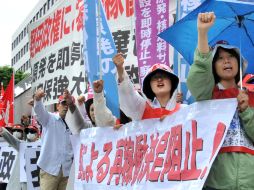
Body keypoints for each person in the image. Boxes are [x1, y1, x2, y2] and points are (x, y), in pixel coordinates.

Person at [187, 12, 254, 190]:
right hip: (215, 182)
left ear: (239, 63)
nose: (226, 61)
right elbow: (199, 73)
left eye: (231, 56)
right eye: (220, 58)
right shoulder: (207, 96)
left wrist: (246, 110)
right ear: (213, 67)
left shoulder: (251, 97)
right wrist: (202, 33)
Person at [113, 53, 184, 121]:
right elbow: (128, 95)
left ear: (172, 82)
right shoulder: (141, 110)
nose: (159, 79)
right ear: (149, 86)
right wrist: (120, 69)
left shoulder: (185, 112)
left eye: (164, 76)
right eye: (155, 78)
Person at [33, 88, 74, 190]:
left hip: (66, 171)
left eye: (68, 104)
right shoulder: (49, 118)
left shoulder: (74, 124)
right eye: (63, 103)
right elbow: (40, 112)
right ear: (57, 105)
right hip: (49, 170)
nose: (66, 106)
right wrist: (37, 100)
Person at [0, 124, 39, 190]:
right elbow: (12, 140)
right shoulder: (22, 144)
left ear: (37, 134)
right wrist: (3, 131)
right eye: (27, 131)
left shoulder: (41, 146)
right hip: (19, 179)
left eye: (32, 131)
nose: (29, 133)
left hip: (34, 180)